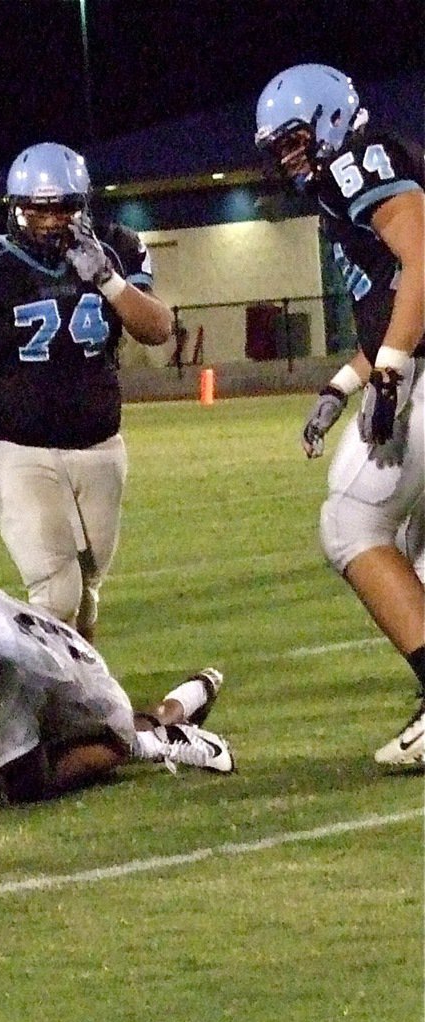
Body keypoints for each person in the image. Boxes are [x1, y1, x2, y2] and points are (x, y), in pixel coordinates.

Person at [0, 142, 174, 642]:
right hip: (17, 446)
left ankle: (82, 697)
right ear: (15, 209)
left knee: (87, 587)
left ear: (84, 206)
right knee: (55, 593)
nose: (50, 221)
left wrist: (106, 279)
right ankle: (29, 693)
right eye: (37, 209)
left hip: (101, 445)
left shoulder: (117, 247)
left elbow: (158, 329)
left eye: (63, 207)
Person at [255, 64, 424, 767]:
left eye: (295, 139)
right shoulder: (341, 184)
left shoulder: (361, 159)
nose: (288, 157)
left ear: (329, 120)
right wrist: (344, 382)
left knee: (351, 523)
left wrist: (389, 371)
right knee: (416, 547)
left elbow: (423, 262)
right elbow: (392, 297)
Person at [0, 574, 233, 812]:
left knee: (121, 743)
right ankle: (194, 692)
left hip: (84, 691)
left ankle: (165, 739)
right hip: (55, 650)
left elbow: (27, 780)